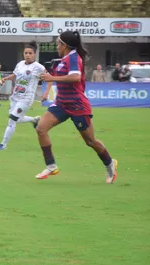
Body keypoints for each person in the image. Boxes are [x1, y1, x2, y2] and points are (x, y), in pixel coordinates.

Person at [38, 30, 117, 184]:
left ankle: (110, 164)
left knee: (90, 141)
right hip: (61, 102)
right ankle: (51, 165)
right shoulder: (64, 58)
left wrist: (52, 77)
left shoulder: (74, 57)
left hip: (76, 105)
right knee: (41, 128)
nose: (57, 45)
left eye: (58, 43)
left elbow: (75, 77)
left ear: (64, 45)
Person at [0, 41, 44, 150]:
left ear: (34, 54)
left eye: (30, 53)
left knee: (12, 119)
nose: (27, 55)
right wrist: (6, 78)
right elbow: (15, 75)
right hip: (16, 96)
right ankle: (34, 120)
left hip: (26, 98)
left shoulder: (38, 67)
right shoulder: (20, 64)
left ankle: (3, 144)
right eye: (26, 53)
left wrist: (45, 93)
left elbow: (49, 78)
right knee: (18, 119)